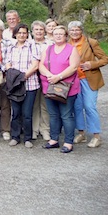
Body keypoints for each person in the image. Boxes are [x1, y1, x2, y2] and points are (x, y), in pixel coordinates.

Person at [38, 25, 80, 153]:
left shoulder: (72, 50)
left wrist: (59, 77)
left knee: (66, 115)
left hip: (66, 88)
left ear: (66, 36)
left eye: (61, 34)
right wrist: (50, 75)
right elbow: (41, 65)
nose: (58, 36)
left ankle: (68, 142)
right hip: (49, 87)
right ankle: (54, 139)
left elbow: (73, 67)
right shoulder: (48, 49)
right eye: (56, 34)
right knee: (53, 115)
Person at [68, 21, 108, 148]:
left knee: (89, 106)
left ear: (81, 31)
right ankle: (81, 133)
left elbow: (105, 59)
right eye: (72, 30)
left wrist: (91, 64)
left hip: (89, 79)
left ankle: (97, 136)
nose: (75, 32)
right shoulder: (67, 43)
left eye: (77, 30)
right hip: (73, 80)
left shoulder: (91, 42)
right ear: (68, 32)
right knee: (77, 107)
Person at [5, 24, 40, 148]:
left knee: (27, 113)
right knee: (16, 112)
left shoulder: (32, 46)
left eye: (24, 33)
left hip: (30, 84)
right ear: (15, 34)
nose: (21, 35)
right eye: (19, 33)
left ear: (27, 34)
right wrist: (14, 77)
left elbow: (35, 65)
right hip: (14, 85)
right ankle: (15, 136)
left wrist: (23, 77)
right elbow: (7, 63)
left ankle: (27, 138)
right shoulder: (11, 47)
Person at [30, 20, 51, 141]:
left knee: (45, 104)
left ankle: (45, 130)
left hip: (47, 77)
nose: (38, 32)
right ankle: (34, 129)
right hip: (32, 77)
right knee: (33, 104)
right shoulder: (28, 44)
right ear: (32, 32)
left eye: (41, 30)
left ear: (45, 31)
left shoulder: (50, 44)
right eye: (36, 29)